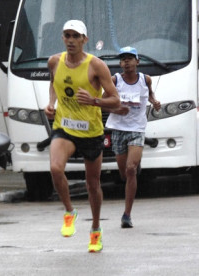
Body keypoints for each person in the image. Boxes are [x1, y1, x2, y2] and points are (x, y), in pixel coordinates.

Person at [44, 19, 120, 252]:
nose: (70, 40)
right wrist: (51, 103)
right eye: (67, 35)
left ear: (84, 40)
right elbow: (54, 83)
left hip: (91, 132)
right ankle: (69, 212)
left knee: (92, 184)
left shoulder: (96, 66)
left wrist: (94, 100)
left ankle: (95, 229)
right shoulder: (54, 61)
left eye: (75, 36)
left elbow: (115, 100)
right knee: (56, 168)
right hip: (64, 127)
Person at [104, 46, 161, 228]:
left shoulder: (146, 79)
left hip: (137, 129)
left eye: (130, 58)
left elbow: (150, 95)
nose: (126, 62)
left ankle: (127, 214)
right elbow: (102, 103)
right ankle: (134, 169)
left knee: (130, 169)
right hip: (118, 129)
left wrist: (155, 102)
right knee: (123, 174)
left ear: (137, 61)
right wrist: (116, 109)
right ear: (120, 63)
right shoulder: (115, 80)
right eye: (123, 59)